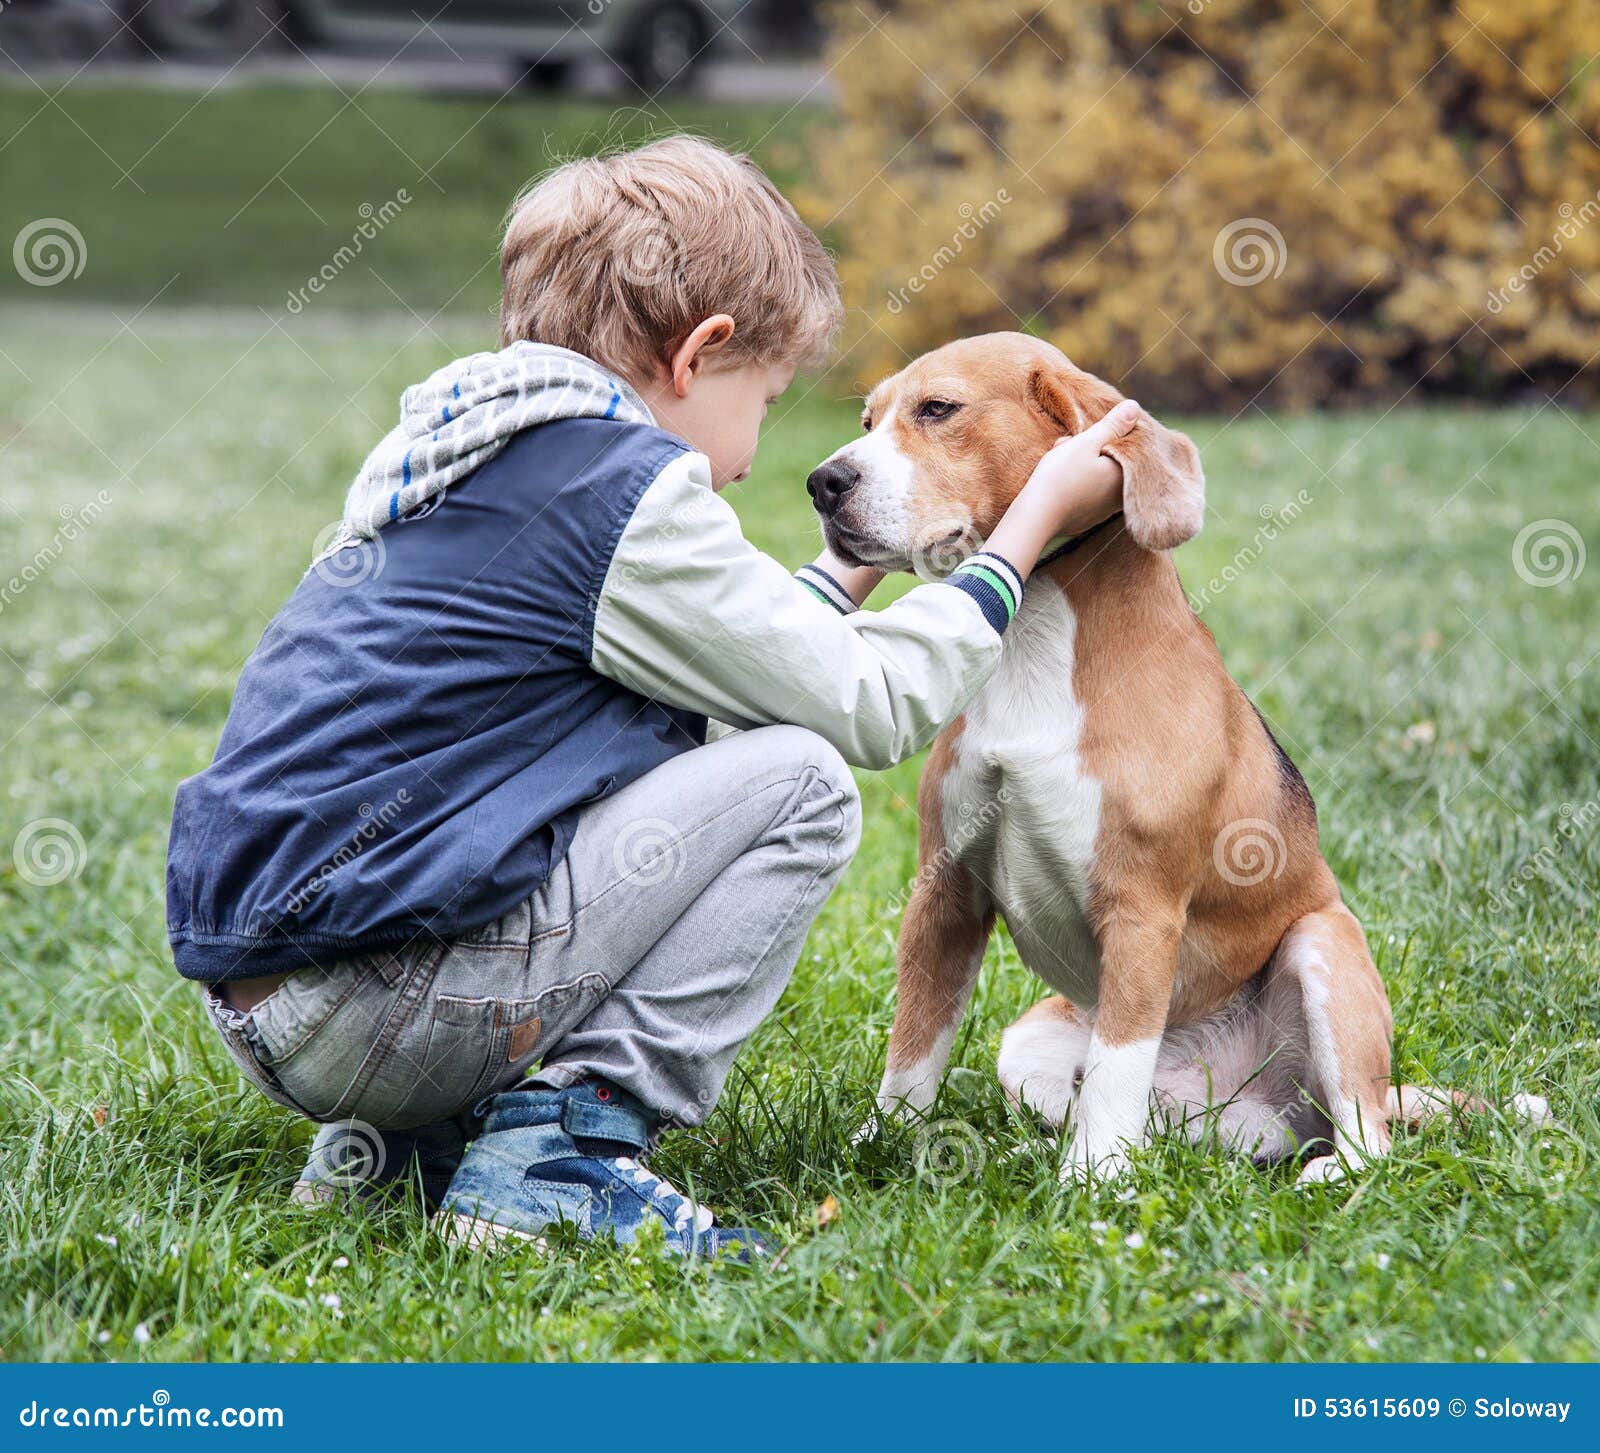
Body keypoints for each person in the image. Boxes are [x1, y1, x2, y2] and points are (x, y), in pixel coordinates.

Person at [167, 135, 1135, 1259]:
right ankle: (564, 1153)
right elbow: (869, 705)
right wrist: (1024, 532)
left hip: (272, 1002)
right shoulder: (620, 491)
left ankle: (398, 1144)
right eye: (765, 401)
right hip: (386, 1010)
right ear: (698, 356)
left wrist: (852, 564)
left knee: (660, 761)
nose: (747, 457)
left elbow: (732, 670)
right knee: (803, 785)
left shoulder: (464, 452)